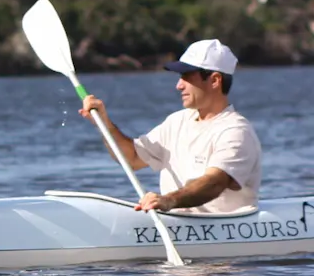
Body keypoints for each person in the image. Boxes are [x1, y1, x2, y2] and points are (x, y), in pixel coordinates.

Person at [79, 38, 261, 214]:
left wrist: (169, 200)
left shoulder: (235, 131)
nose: (178, 85)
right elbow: (132, 158)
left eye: (187, 76)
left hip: (221, 227)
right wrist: (104, 123)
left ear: (214, 80)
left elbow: (214, 183)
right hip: (178, 220)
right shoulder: (177, 122)